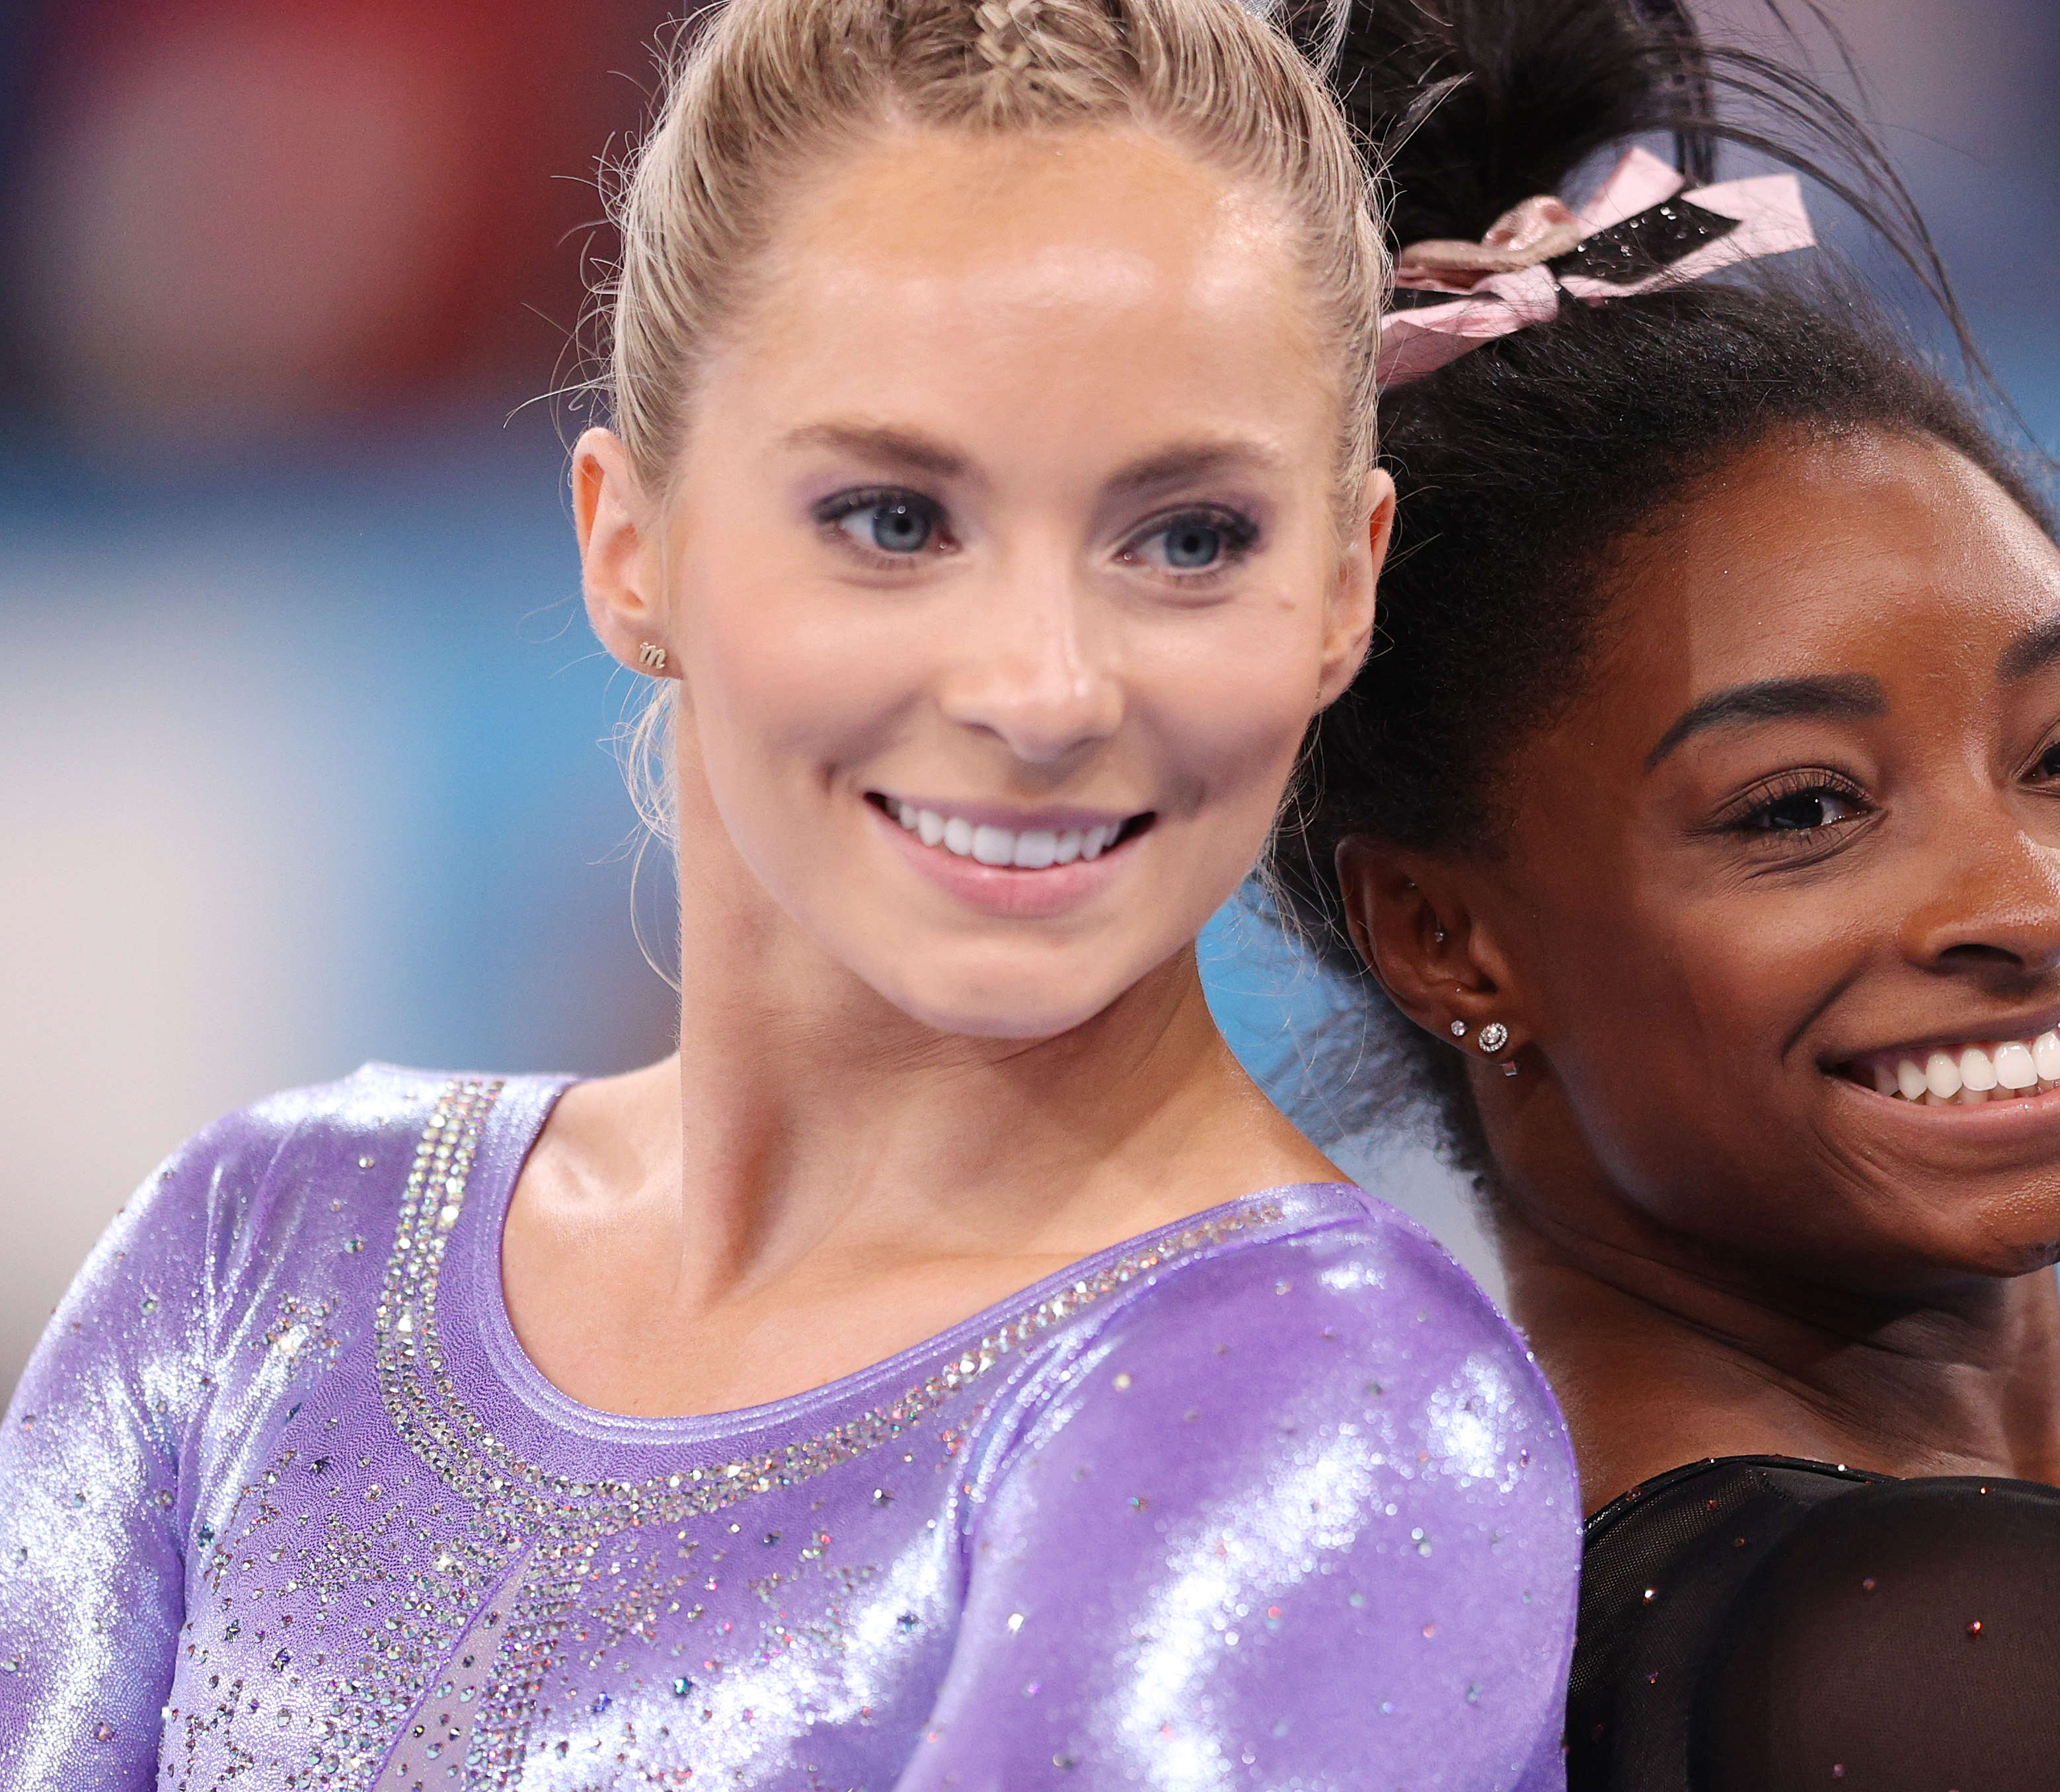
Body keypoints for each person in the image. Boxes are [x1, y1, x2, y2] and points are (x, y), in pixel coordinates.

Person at [0, 0, 1584, 1784]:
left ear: (1342, 589)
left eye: (1189, 539)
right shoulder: (260, 1253)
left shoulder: (1320, 1408)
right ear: (629, 543)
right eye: (895, 521)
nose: (1043, 689)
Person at [1267, 0, 2060, 1785]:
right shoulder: (1949, 1643)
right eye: (1803, 807)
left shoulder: (1863, 1592)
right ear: (1444, 935)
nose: (2030, 895)